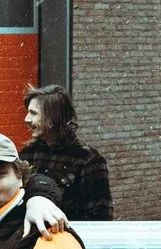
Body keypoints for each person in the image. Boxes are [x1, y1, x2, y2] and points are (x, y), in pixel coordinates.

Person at [19, 84, 112, 221]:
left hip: (67, 239)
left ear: (53, 117)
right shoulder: (27, 154)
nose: (27, 119)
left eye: (33, 113)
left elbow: (100, 216)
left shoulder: (88, 160)